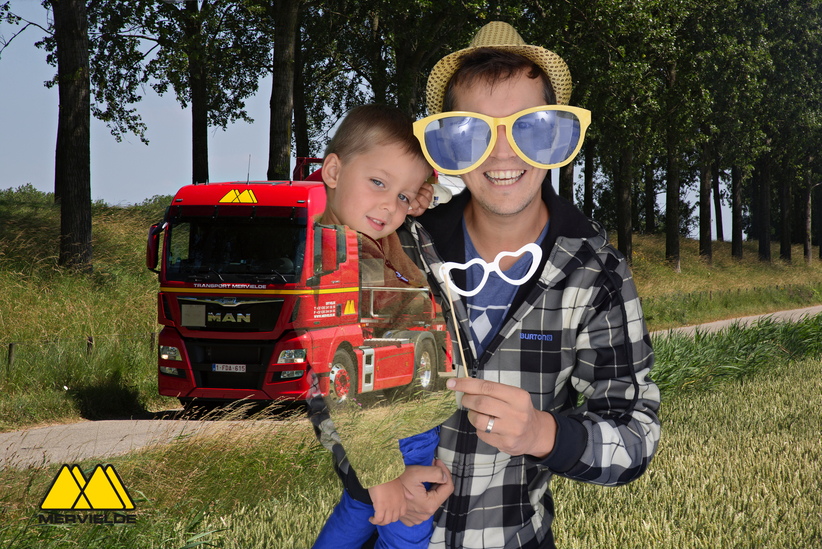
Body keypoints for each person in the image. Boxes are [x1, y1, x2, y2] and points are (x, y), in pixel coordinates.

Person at [396, 21, 662, 549]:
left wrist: (543, 433)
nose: (502, 155)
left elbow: (636, 435)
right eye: (475, 133)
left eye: (528, 129)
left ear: (555, 138)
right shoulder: (399, 250)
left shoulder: (595, 273)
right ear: (451, 146)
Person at [307, 104, 452, 549]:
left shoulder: (373, 235)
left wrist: (421, 193)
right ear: (333, 171)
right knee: (405, 532)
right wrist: (379, 471)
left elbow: (443, 193)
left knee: (358, 512)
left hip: (407, 418)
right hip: (389, 435)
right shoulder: (326, 260)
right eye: (378, 183)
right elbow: (331, 382)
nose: (391, 205)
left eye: (404, 197)